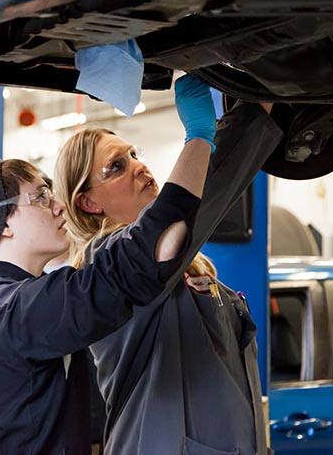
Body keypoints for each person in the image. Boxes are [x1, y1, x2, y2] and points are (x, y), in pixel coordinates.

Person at [0, 86, 215, 454]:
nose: (59, 206)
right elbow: (151, 252)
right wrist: (201, 139)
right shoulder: (24, 311)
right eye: (41, 197)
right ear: (1, 224)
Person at [54, 75, 283, 455]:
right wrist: (206, 134)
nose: (138, 167)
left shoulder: (190, 262)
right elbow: (192, 208)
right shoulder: (106, 266)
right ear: (89, 203)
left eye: (134, 154)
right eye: (115, 167)